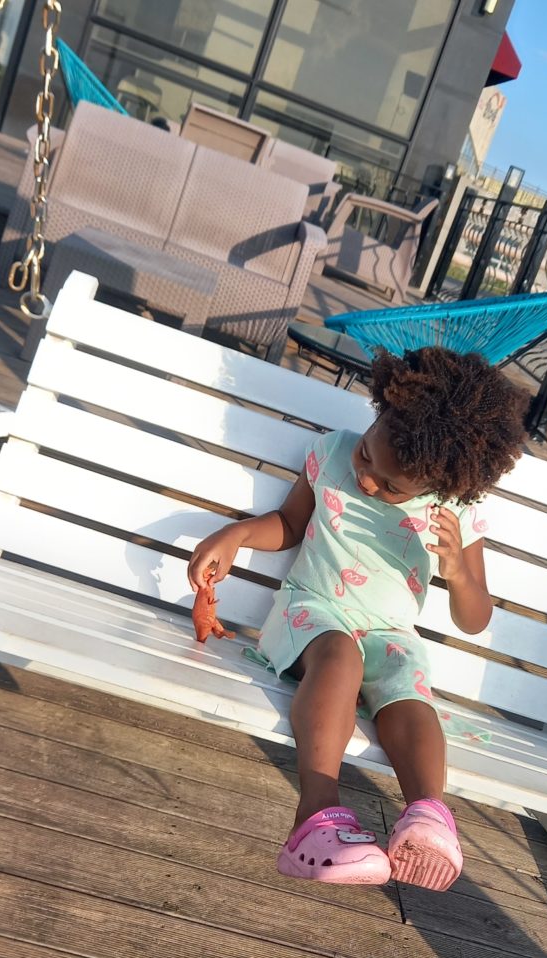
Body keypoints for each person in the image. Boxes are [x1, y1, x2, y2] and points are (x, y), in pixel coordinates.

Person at [188, 347, 529, 890]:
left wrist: (457, 571)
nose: (368, 479)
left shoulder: (455, 514)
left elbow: (475, 617)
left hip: (391, 633)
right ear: (375, 419)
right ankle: (315, 816)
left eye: (391, 485)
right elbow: (289, 524)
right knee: (340, 656)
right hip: (312, 614)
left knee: (408, 694)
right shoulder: (332, 454)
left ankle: (426, 816)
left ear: (438, 485)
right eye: (368, 456)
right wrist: (235, 535)